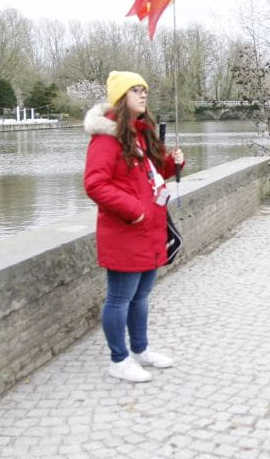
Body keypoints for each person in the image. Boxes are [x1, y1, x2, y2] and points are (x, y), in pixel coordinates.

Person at [84, 71, 185, 383]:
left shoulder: (140, 134)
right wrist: (135, 211)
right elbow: (94, 184)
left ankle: (140, 350)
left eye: (145, 90)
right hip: (126, 231)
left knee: (141, 297)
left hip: (149, 231)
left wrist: (173, 163)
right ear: (120, 97)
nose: (144, 95)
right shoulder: (106, 139)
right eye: (136, 90)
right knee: (119, 298)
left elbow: (151, 175)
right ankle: (119, 359)